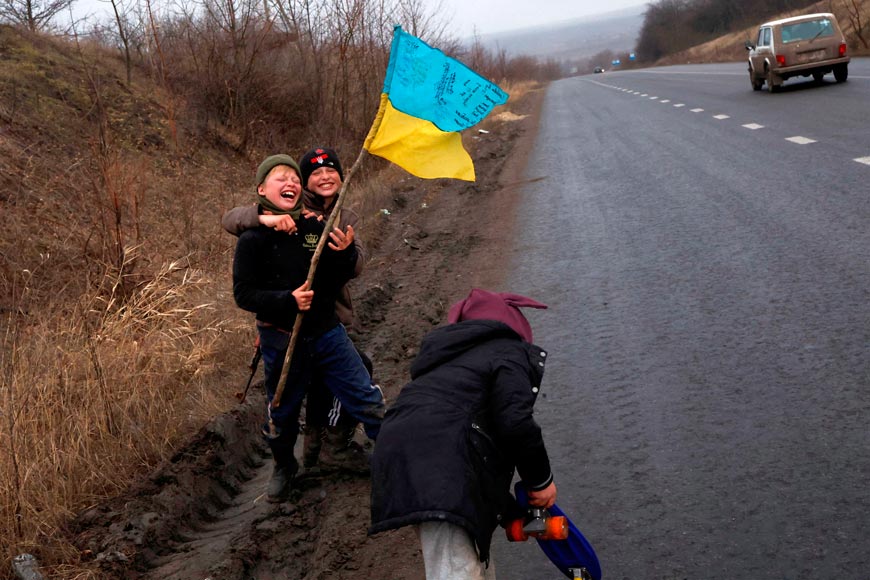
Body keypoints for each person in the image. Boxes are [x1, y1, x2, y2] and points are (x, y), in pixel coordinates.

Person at [369, 288, 557, 579]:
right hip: (438, 468)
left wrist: (509, 513)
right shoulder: (508, 351)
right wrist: (540, 481)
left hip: (409, 458)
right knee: (456, 569)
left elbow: (477, 449)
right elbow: (515, 422)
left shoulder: (449, 366)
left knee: (470, 560)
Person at [232, 153, 384, 502]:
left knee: (364, 393)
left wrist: (344, 254)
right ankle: (284, 466)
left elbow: (336, 275)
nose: (290, 183)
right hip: (281, 337)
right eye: (280, 178)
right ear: (261, 189)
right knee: (282, 409)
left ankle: (393, 454)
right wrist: (288, 300)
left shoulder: (314, 227)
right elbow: (243, 294)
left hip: (327, 331)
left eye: (293, 179)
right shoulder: (252, 238)